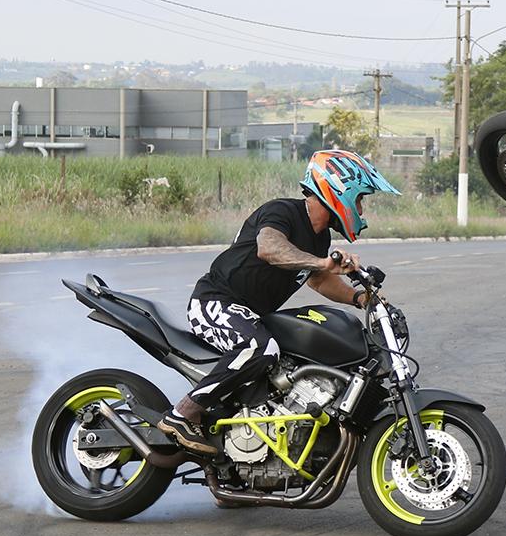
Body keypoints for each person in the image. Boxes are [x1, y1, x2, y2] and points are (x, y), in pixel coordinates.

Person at [158, 149, 400, 454]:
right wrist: (323, 263)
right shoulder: (283, 212)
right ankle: (182, 414)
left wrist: (359, 297)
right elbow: (270, 248)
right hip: (215, 303)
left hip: (252, 315)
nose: (361, 209)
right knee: (260, 349)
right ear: (340, 188)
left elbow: (318, 279)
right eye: (361, 198)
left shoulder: (319, 237)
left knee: (291, 363)